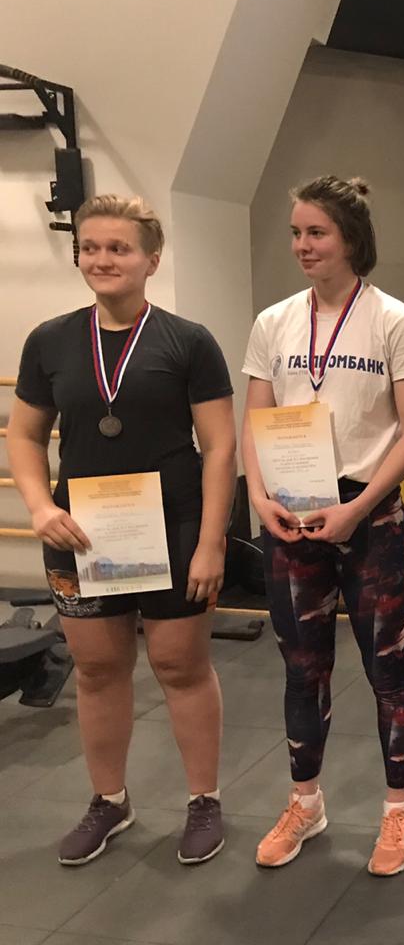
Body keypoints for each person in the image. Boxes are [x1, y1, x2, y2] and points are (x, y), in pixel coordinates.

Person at [8, 194, 236, 866]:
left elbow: (219, 447)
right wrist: (39, 507)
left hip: (173, 525)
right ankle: (109, 801)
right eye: (91, 247)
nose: (103, 259)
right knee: (97, 668)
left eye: (119, 248)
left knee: (179, 666)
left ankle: (203, 800)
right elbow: (25, 435)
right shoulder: (50, 340)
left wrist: (211, 542)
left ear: (151, 260)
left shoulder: (188, 340)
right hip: (82, 532)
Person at [242, 176, 404, 877]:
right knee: (302, 669)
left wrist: (359, 506)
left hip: (370, 515)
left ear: (351, 239)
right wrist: (258, 497)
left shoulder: (396, 321)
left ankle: (398, 809)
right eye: (296, 232)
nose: (302, 245)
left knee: (388, 668)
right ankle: (306, 802)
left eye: (316, 232)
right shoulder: (273, 322)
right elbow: (255, 420)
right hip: (292, 515)